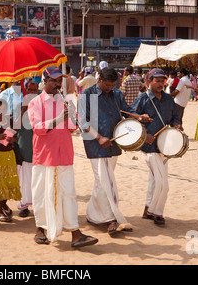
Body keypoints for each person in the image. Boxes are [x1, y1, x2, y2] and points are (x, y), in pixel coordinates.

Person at [27, 66, 98, 248]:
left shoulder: (66, 101)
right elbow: (37, 128)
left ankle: (75, 232)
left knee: (68, 194)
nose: (57, 84)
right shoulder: (35, 102)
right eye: (53, 81)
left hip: (64, 154)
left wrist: (74, 117)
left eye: (59, 81)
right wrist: (58, 119)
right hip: (44, 156)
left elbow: (73, 127)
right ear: (44, 82)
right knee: (42, 193)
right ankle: (40, 229)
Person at [77, 68, 152, 236]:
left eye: (112, 85)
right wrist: (99, 138)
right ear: (99, 80)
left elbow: (126, 110)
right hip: (95, 143)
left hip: (114, 142)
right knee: (107, 181)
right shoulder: (86, 95)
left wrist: (139, 117)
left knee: (102, 180)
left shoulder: (116, 94)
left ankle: (93, 215)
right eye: (107, 85)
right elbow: (83, 121)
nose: (109, 88)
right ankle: (111, 219)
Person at [132, 68, 181, 226]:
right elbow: (131, 121)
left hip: (164, 145)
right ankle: (157, 213)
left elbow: (175, 116)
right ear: (149, 81)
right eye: (157, 81)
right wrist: (144, 134)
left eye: (162, 81)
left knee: (154, 180)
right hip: (148, 147)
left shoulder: (168, 99)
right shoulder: (142, 99)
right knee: (162, 183)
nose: (161, 84)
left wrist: (176, 124)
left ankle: (148, 209)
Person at [0, 101, 22, 222]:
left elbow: (16, 134)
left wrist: (13, 139)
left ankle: (4, 206)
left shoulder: (10, 121)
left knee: (8, 182)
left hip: (9, 154)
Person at [16, 81, 39, 217]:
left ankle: (38, 207)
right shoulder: (19, 106)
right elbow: (14, 127)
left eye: (34, 90)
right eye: (29, 90)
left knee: (37, 180)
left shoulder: (42, 106)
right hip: (24, 148)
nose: (31, 92)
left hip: (39, 150)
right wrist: (24, 110)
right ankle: (24, 206)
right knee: (24, 180)